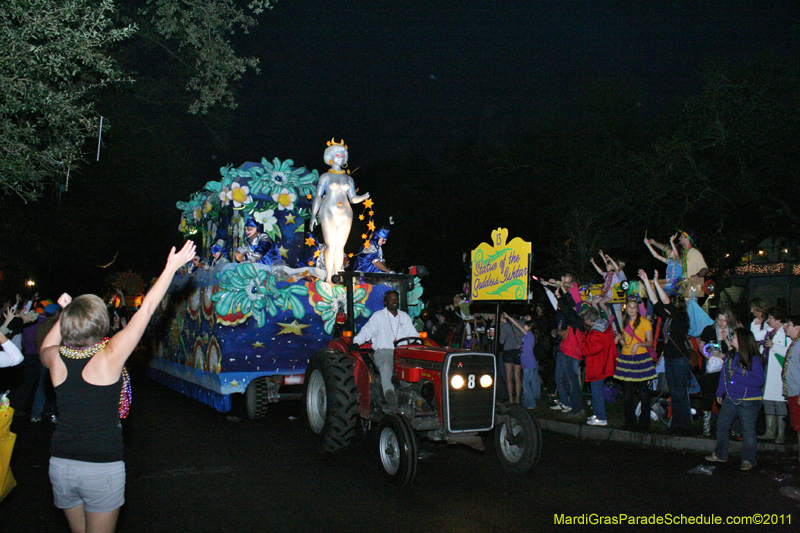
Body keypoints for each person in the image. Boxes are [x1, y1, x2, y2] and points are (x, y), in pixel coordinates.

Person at [40, 240, 196, 533]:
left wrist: (65, 312)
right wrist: (171, 267)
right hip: (101, 467)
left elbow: (48, 344)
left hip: (61, 464)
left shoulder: (55, 359)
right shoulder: (109, 356)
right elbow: (147, 308)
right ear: (104, 325)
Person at [639, 269, 693, 434]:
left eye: (671, 304)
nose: (667, 305)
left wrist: (656, 282)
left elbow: (664, 300)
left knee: (681, 393)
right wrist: (647, 282)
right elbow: (656, 302)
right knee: (675, 393)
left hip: (680, 359)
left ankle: (684, 425)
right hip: (670, 359)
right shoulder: (669, 318)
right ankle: (676, 424)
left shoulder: (681, 317)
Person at [310, 141, 370, 284]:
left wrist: (361, 198)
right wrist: (313, 214)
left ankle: (339, 274)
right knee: (331, 244)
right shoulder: (325, 176)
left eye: (344, 155)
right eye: (338, 154)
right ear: (330, 157)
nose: (341, 157)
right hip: (328, 210)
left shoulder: (349, 178)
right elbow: (318, 196)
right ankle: (330, 275)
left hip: (345, 213)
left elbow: (353, 198)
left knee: (340, 246)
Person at [705, 328, 766, 470]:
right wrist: (720, 392)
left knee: (747, 430)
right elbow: (724, 376)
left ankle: (749, 459)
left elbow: (759, 381)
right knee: (722, 425)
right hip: (731, 398)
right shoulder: (731, 356)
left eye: (735, 336)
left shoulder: (754, 358)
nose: (731, 337)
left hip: (749, 400)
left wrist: (736, 377)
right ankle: (721, 454)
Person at [352, 290, 418, 409]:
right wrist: (357, 342)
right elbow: (367, 331)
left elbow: (414, 334)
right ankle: (389, 392)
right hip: (384, 350)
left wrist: (416, 342)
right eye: (391, 298)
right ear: (385, 302)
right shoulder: (378, 316)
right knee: (386, 365)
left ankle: (409, 388)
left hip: (402, 352)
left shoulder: (404, 317)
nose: (394, 300)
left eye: (396, 298)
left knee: (414, 364)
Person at [613, 294, 656, 431]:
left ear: (638, 309)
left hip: (640, 359)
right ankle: (630, 422)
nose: (632, 309)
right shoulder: (624, 322)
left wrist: (638, 345)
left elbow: (650, 342)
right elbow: (625, 343)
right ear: (626, 309)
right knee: (628, 393)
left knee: (643, 392)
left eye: (634, 307)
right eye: (630, 307)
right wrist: (619, 339)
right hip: (626, 360)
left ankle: (644, 423)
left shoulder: (644, 322)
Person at [698, 309, 739, 436]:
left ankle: (728, 425)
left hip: (727, 370)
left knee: (727, 396)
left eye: (724, 320)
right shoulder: (709, 330)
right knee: (708, 395)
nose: (721, 323)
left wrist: (726, 339)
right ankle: (706, 425)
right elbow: (702, 345)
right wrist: (707, 355)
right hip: (711, 370)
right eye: (719, 320)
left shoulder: (733, 332)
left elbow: (734, 351)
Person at [579, 306, 616, 426]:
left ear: (589, 320)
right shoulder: (606, 326)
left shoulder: (596, 332)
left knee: (597, 392)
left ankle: (601, 417)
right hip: (604, 363)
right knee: (596, 391)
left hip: (597, 366)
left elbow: (591, 349)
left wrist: (583, 344)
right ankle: (597, 414)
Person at [760, 307, 790, 443]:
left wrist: (774, 346)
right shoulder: (771, 333)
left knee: (779, 403)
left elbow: (790, 352)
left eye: (771, 318)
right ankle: (770, 431)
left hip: (779, 374)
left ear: (778, 321)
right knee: (768, 401)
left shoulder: (786, 334)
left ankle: (781, 433)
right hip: (769, 372)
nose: (768, 321)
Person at [504, 313, 539, 408]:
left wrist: (509, 317)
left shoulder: (529, 335)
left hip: (529, 363)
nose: (524, 326)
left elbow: (518, 326)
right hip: (526, 363)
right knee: (526, 383)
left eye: (525, 325)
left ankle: (532, 404)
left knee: (525, 384)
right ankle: (527, 404)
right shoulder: (526, 336)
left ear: (529, 327)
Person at [781, 315, 800, 463]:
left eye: (788, 324)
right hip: (793, 392)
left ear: (797, 328)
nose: (784, 327)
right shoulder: (795, 343)